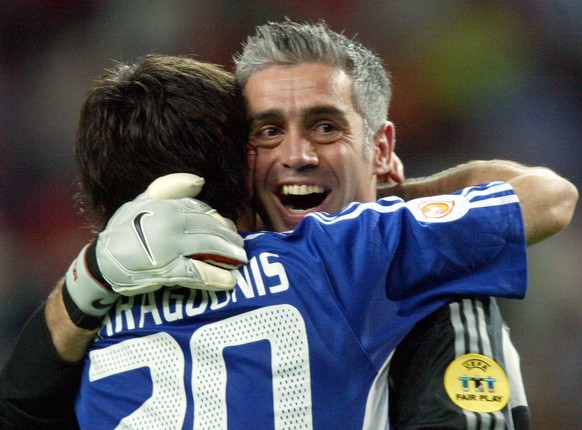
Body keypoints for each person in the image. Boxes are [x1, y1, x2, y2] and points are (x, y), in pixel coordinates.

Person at [0, 22, 578, 429]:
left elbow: (19, 404)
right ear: (232, 158)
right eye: (267, 131)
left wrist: (89, 274)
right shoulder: (356, 251)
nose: (296, 154)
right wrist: (401, 200)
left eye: (325, 126)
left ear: (380, 149)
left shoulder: (101, 315)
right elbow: (549, 195)